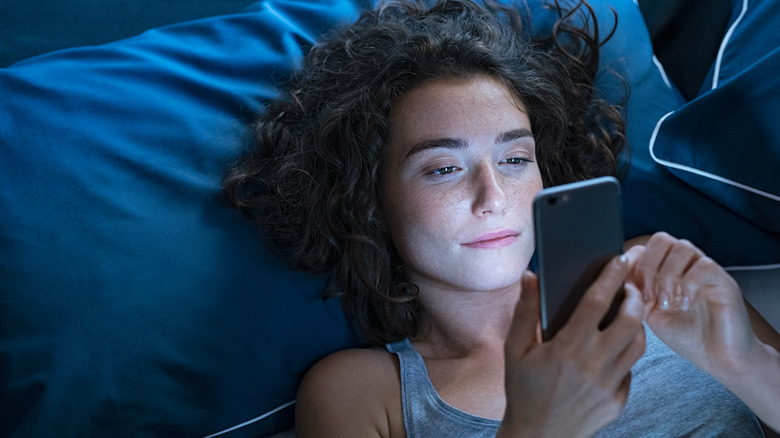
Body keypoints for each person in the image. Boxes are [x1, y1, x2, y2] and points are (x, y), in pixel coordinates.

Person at [222, 0, 780, 436]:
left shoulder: (658, 283)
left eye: (515, 159)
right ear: (369, 197)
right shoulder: (363, 394)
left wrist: (745, 361)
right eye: (442, 168)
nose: (493, 195)